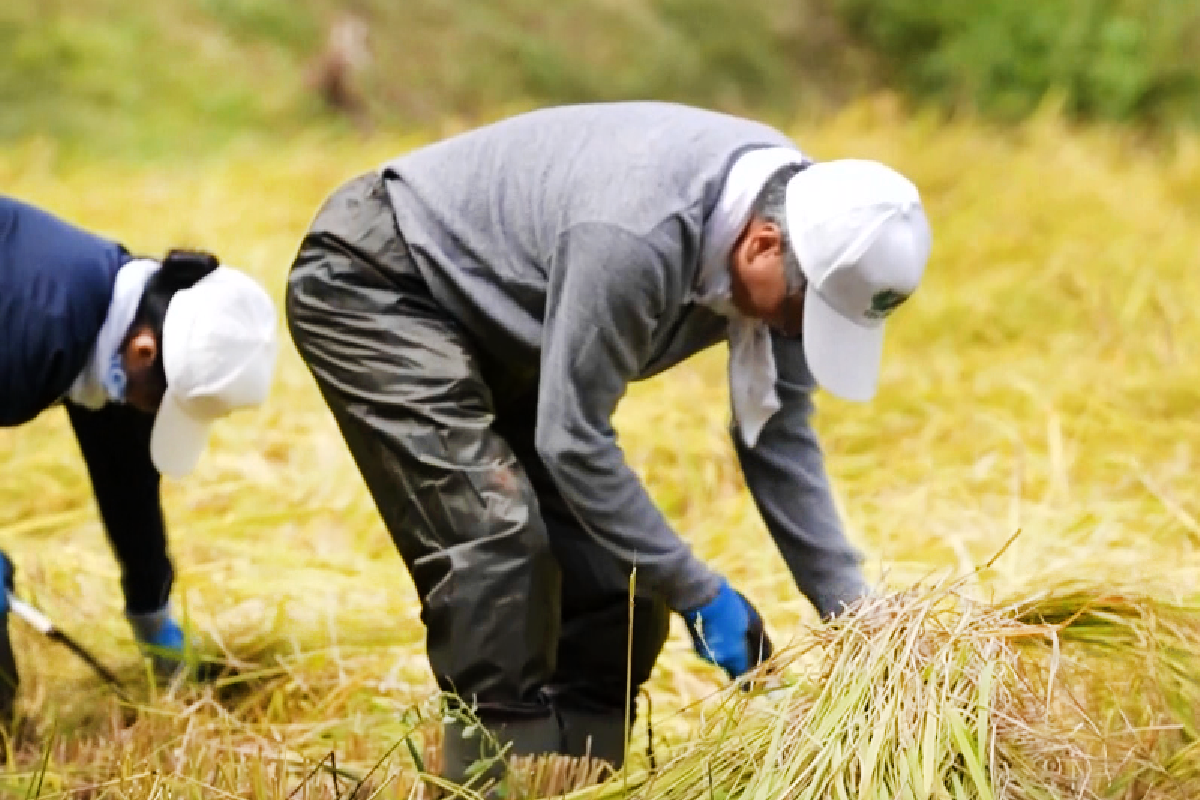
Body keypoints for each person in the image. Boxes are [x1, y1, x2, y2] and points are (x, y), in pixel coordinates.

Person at [285, 101, 932, 784]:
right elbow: (572, 439)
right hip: (383, 279)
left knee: (617, 587)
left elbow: (776, 435)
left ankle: (578, 781)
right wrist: (700, 590)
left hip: (508, 320)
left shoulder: (806, 239)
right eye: (799, 315)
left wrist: (856, 619)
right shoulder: (639, 234)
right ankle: (485, 787)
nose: (795, 333)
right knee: (496, 551)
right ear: (762, 245)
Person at [0, 195, 280, 720]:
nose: (147, 414)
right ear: (145, 351)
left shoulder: (116, 320)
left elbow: (127, 481)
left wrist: (152, 612)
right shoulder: (30, 335)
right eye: (161, 406)